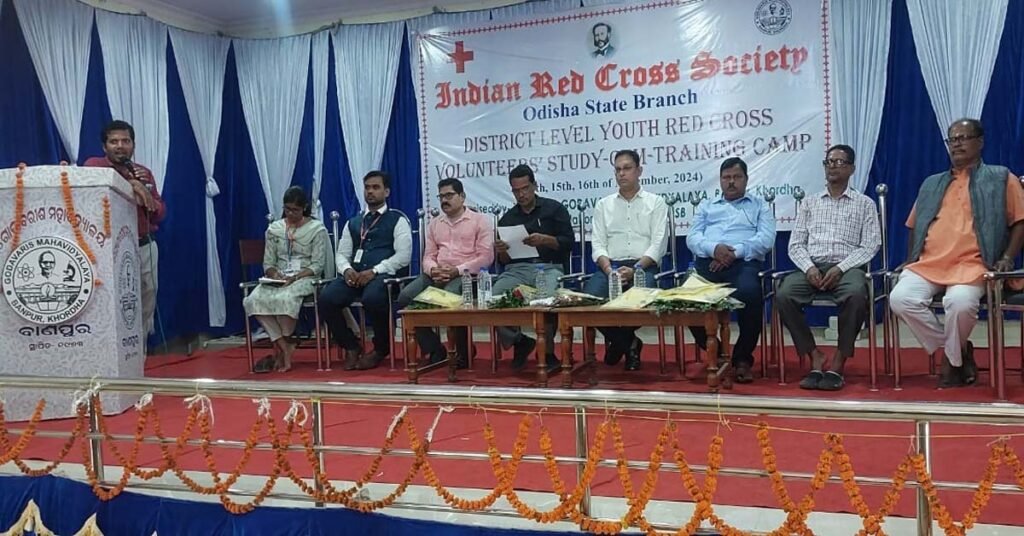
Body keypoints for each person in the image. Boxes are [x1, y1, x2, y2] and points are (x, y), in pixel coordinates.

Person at [889, 118, 1024, 388]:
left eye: (963, 138)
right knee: (900, 299)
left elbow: (1020, 221)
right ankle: (958, 351)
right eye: (952, 139)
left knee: (960, 303)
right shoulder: (932, 183)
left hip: (973, 264)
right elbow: (915, 224)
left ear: (980, 142)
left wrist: (1007, 257)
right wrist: (912, 257)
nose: (956, 144)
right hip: (930, 263)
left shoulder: (1001, 177)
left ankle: (951, 363)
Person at [776, 145, 881, 391]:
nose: (833, 166)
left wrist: (841, 268)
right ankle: (814, 355)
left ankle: (838, 361)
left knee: (856, 294)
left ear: (852, 169)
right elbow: (796, 244)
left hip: (848, 267)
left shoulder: (864, 204)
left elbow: (870, 245)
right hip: (812, 266)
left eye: (839, 162)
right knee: (784, 295)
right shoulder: (810, 203)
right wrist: (809, 268)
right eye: (829, 162)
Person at [686, 157, 776, 383]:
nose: (731, 182)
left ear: (746, 179)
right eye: (726, 177)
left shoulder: (759, 206)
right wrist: (714, 249)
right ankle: (717, 351)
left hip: (744, 263)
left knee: (750, 294)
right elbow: (692, 237)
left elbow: (766, 239)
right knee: (687, 300)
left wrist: (733, 253)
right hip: (709, 262)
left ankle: (742, 358)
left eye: (737, 177)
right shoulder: (707, 206)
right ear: (720, 180)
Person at [584, 149, 668, 371]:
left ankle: (620, 343)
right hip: (610, 267)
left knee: (643, 300)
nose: (622, 173)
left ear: (639, 171)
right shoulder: (603, 205)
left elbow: (658, 244)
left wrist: (636, 268)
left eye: (627, 168)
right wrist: (609, 270)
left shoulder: (656, 203)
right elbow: (598, 244)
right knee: (588, 301)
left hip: (643, 267)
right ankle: (628, 343)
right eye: (618, 169)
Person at [319, 171, 412, 371]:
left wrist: (375, 271)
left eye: (376, 187)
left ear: (386, 192)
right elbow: (341, 254)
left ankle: (381, 349)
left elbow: (403, 256)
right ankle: (351, 345)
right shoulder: (354, 222)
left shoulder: (398, 220)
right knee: (326, 298)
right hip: (355, 276)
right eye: (367, 187)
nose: (370, 191)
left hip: (384, 277)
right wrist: (346, 270)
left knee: (373, 298)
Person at [396, 178, 494, 367]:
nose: (444, 200)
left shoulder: (480, 221)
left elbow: (485, 258)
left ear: (462, 196)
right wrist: (433, 269)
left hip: (467, 276)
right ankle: (435, 348)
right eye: (441, 196)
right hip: (437, 273)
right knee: (405, 297)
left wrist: (457, 270)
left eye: (449, 195)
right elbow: (428, 256)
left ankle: (464, 352)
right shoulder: (435, 224)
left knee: (450, 297)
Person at [84, 120, 166, 340]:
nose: (120, 146)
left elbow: (159, 213)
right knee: (115, 299)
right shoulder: (94, 166)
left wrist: (145, 193)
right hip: (109, 249)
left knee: (147, 298)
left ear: (133, 145)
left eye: (126, 141)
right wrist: (131, 185)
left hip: (144, 244)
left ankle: (140, 350)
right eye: (114, 142)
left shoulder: (144, 173)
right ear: (104, 147)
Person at [493, 164, 574, 371]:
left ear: (535, 185)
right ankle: (519, 341)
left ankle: (547, 352)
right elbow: (504, 261)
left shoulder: (554, 209)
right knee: (493, 298)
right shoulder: (508, 218)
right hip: (517, 269)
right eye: (516, 191)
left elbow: (568, 243)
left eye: (525, 188)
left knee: (547, 299)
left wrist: (545, 240)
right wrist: (502, 250)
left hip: (548, 267)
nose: (521, 194)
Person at [243, 186, 328, 373]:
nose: (290, 213)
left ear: (304, 208)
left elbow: (317, 265)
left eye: (295, 210)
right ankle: (284, 344)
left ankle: (284, 349)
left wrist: (295, 277)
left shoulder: (316, 229)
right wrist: (275, 274)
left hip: (305, 277)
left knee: (285, 299)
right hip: (280, 277)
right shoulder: (275, 229)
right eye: (287, 209)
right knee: (253, 299)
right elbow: (268, 263)